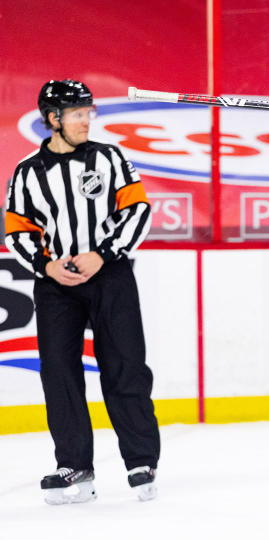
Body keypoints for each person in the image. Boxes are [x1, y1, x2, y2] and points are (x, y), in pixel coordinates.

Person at [4, 79, 159, 504]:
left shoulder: (109, 158)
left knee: (124, 367)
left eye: (88, 112)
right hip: (57, 285)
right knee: (59, 373)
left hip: (110, 276)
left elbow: (138, 208)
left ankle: (141, 461)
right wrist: (46, 265)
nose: (86, 120)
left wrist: (103, 254)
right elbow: (17, 228)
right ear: (53, 119)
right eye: (76, 114)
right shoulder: (27, 172)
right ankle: (74, 466)